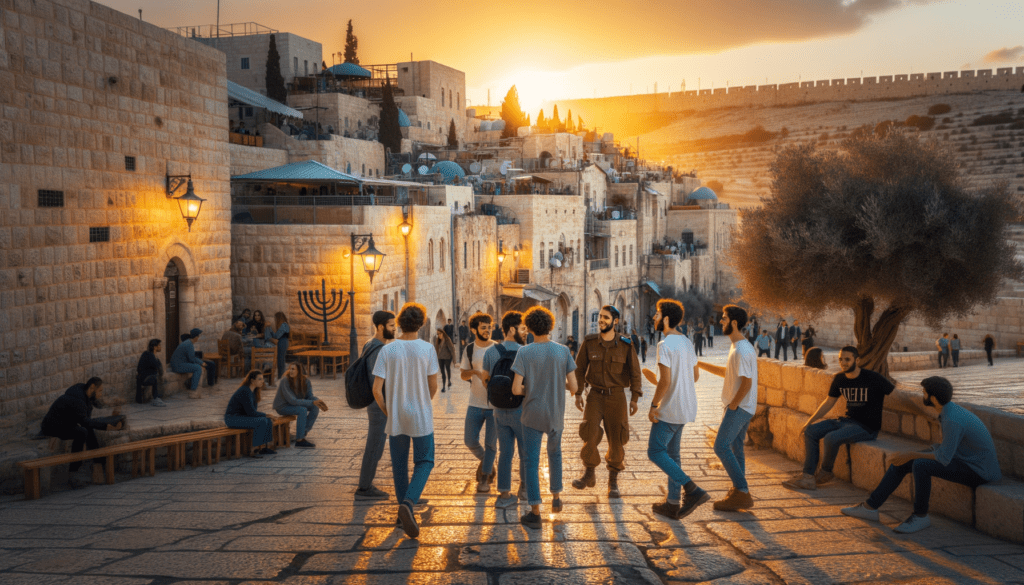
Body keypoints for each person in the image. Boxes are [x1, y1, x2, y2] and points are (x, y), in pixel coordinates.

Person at [842, 376, 1002, 534]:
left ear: (933, 397)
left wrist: (912, 454)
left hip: (980, 472)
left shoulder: (952, 419)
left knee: (920, 464)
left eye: (924, 393)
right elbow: (945, 449)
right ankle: (870, 507)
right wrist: (908, 455)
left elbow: (943, 457)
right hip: (965, 461)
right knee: (902, 461)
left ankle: (920, 516)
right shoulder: (950, 411)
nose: (923, 396)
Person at [783, 346, 894, 491]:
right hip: (846, 422)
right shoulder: (840, 378)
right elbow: (828, 402)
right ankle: (808, 477)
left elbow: (895, 393)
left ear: (857, 360)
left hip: (867, 427)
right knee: (810, 431)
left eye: (847, 359)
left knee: (830, 437)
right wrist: (809, 421)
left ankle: (825, 472)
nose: (843, 363)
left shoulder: (872, 377)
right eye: (841, 359)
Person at [372, 303, 440, 539]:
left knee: (399, 465)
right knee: (425, 461)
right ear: (421, 324)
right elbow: (433, 385)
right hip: (420, 415)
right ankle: (408, 504)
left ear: (399, 322)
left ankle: (402, 516)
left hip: (397, 415)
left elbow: (377, 390)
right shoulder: (428, 349)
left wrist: (388, 411)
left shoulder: (387, 351)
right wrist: (422, 401)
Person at [511, 306, 578, 529]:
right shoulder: (563, 351)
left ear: (529, 327)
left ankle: (535, 511)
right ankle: (557, 497)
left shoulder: (524, 352)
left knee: (531, 461)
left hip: (531, 414)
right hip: (555, 413)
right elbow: (574, 387)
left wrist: (532, 388)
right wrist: (557, 383)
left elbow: (515, 389)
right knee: (555, 454)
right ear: (550, 326)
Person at [644, 299, 710, 520]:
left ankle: (692, 490)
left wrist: (654, 406)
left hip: (670, 408)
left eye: (656, 314)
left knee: (655, 452)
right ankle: (673, 504)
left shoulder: (665, 345)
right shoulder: (687, 342)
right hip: (686, 407)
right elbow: (695, 376)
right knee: (673, 454)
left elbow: (665, 381)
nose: (653, 317)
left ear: (665, 319)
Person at [572, 305, 642, 498]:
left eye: (605, 317)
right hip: (594, 395)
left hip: (617, 397)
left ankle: (613, 482)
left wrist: (635, 397)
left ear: (615, 321)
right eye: (599, 317)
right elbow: (579, 369)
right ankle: (589, 473)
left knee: (617, 438)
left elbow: (635, 372)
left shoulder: (626, 344)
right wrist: (578, 393)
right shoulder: (589, 342)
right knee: (589, 432)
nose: (600, 320)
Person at [700, 305, 758, 510]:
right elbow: (729, 374)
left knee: (721, 446)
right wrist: (700, 364)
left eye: (723, 318)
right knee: (736, 448)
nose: (720, 321)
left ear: (734, 322)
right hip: (743, 406)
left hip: (739, 407)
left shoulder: (741, 349)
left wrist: (732, 407)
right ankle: (738, 493)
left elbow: (746, 383)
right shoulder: (738, 347)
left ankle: (742, 490)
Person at [40, 377, 123, 486]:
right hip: (52, 427)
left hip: (65, 423)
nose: (101, 394)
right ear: (92, 387)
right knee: (81, 432)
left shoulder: (85, 396)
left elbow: (88, 421)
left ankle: (98, 462)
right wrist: (106, 427)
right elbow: (86, 422)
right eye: (100, 391)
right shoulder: (78, 400)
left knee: (86, 430)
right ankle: (74, 472)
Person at [486, 311, 529, 508]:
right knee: (525, 451)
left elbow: (487, 379)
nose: (525, 332)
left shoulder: (491, 351)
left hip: (498, 411)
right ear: (512, 329)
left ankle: (504, 494)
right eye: (522, 328)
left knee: (505, 452)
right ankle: (525, 489)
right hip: (521, 410)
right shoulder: (525, 351)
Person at [356, 311, 395, 500]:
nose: (394, 329)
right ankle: (364, 488)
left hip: (376, 403)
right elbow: (376, 383)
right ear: (381, 327)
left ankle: (366, 484)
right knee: (375, 445)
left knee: (376, 445)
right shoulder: (379, 349)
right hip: (378, 405)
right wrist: (386, 408)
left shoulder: (369, 344)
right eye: (391, 325)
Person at [459, 312, 497, 492]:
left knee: (491, 444)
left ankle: (484, 478)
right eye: (484, 328)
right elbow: (463, 374)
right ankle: (487, 462)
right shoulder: (469, 349)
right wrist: (475, 372)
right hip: (474, 403)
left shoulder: (497, 349)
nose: (488, 330)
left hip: (494, 406)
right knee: (469, 440)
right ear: (474, 330)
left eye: (489, 327)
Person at [274, 363, 327, 448]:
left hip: (294, 405)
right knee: (302, 410)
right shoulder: (285, 381)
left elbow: (309, 396)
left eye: (293, 369)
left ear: (299, 371)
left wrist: (318, 401)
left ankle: (302, 432)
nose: (290, 371)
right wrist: (312, 402)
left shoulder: (306, 381)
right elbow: (292, 401)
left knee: (315, 407)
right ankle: (299, 440)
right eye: (290, 369)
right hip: (282, 406)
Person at [224, 370, 276, 456]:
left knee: (268, 420)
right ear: (252, 381)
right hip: (232, 419)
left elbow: (252, 411)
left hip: (242, 417)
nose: (262, 381)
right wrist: (266, 414)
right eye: (259, 379)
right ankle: (254, 449)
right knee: (262, 421)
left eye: (262, 379)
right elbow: (251, 412)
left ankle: (264, 447)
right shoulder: (245, 391)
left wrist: (266, 416)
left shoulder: (254, 391)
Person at [170, 328, 216, 398]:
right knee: (197, 368)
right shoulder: (189, 344)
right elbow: (192, 358)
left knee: (197, 367)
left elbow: (191, 358)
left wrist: (199, 362)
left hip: (178, 364)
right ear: (196, 337)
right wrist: (201, 363)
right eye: (198, 337)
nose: (198, 338)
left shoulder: (188, 343)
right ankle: (193, 392)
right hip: (178, 366)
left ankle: (195, 389)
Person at [136, 339, 166, 406]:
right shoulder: (148, 355)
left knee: (158, 377)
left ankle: (158, 397)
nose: (160, 347)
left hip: (149, 376)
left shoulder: (154, 357)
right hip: (144, 378)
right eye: (159, 345)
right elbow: (157, 366)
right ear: (155, 347)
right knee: (155, 378)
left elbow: (160, 369)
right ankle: (156, 399)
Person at [266, 312, 290, 378]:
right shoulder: (283, 325)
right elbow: (276, 335)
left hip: (283, 342)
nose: (275, 320)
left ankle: (281, 375)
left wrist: (269, 328)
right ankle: (281, 375)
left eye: (276, 318)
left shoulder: (284, 325)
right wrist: (269, 328)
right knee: (280, 359)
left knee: (281, 359)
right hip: (282, 341)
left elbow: (276, 336)